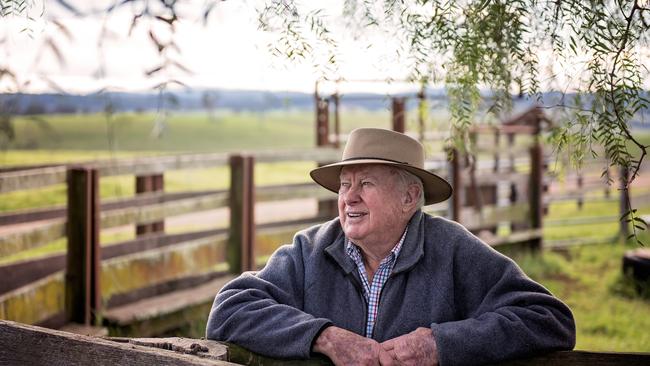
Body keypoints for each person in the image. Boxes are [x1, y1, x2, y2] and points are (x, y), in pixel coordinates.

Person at [206, 128, 575, 366]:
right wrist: (324, 337)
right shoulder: (310, 249)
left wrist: (441, 344)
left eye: (365, 183)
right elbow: (228, 310)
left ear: (409, 197)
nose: (348, 197)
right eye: (344, 185)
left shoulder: (452, 249)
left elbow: (548, 319)